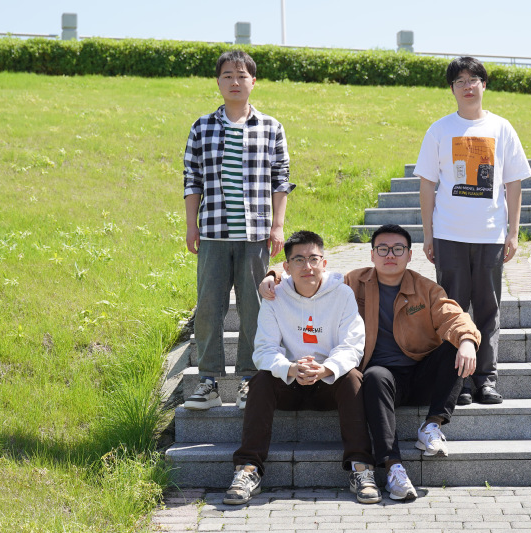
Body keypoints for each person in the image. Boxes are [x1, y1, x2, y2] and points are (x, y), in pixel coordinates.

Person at [260, 224, 480, 501]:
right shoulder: (354, 281)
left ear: (409, 255)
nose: (390, 255)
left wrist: (467, 340)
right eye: (383, 249)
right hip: (382, 379)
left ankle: (432, 425)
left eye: (398, 249)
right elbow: (312, 274)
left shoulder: (426, 288)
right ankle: (393, 468)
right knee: (375, 375)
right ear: (372, 254)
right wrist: (273, 275)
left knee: (457, 344)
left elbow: (453, 315)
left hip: (421, 372)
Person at [224, 231, 380, 505]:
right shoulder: (275, 296)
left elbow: (353, 345)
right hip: (290, 384)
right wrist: (291, 368)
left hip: (328, 384)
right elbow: (264, 350)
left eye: (313, 259)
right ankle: (248, 468)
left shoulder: (342, 294)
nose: (307, 266)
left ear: (324, 263)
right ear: (286, 266)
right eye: (298, 260)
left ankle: (361, 468)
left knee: (353, 378)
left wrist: (325, 369)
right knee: (260, 381)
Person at [415, 56, 531, 406]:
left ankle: (485, 380)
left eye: (473, 79)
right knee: (452, 309)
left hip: (489, 235)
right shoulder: (439, 130)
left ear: (484, 85)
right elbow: (427, 186)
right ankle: (459, 383)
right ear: (452, 89)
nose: (467, 86)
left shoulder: (501, 128)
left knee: (487, 309)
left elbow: (514, 183)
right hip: (449, 233)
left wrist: (513, 233)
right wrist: (428, 235)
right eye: (460, 81)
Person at [182, 49, 295, 411]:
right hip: (213, 234)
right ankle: (209, 382)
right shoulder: (202, 127)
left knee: (255, 308)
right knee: (208, 309)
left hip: (255, 235)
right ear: (218, 82)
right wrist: (191, 225)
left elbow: (281, 179)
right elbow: (192, 179)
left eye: (242, 75)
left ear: (253, 81)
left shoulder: (271, 127)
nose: (235, 81)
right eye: (228, 75)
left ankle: (250, 380)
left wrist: (278, 226)